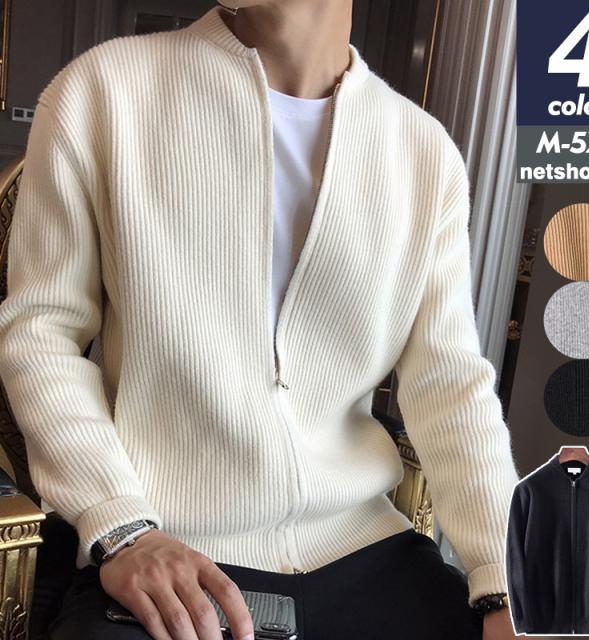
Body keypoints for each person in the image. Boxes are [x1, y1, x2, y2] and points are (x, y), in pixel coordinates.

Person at [0, 1, 521, 639]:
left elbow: (451, 386)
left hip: (364, 547)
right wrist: (122, 527)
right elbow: (42, 334)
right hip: (163, 544)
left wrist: (508, 583)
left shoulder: (423, 152)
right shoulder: (102, 92)